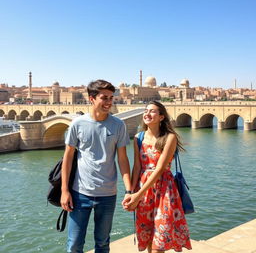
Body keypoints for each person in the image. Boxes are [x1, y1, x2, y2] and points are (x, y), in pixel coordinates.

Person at [61, 79, 131, 253]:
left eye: (111, 98)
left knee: (102, 243)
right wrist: (64, 191)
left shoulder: (119, 125)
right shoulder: (78, 124)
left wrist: (129, 190)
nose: (109, 102)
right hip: (80, 193)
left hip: (107, 195)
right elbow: (68, 157)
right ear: (91, 98)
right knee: (74, 244)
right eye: (104, 98)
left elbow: (122, 159)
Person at [123, 100, 192, 253]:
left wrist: (138, 195)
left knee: (159, 242)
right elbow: (137, 167)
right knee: (147, 236)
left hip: (164, 190)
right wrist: (131, 193)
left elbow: (160, 168)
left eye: (152, 111)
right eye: (146, 110)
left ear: (161, 117)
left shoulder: (170, 137)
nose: (147, 113)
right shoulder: (138, 137)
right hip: (143, 189)